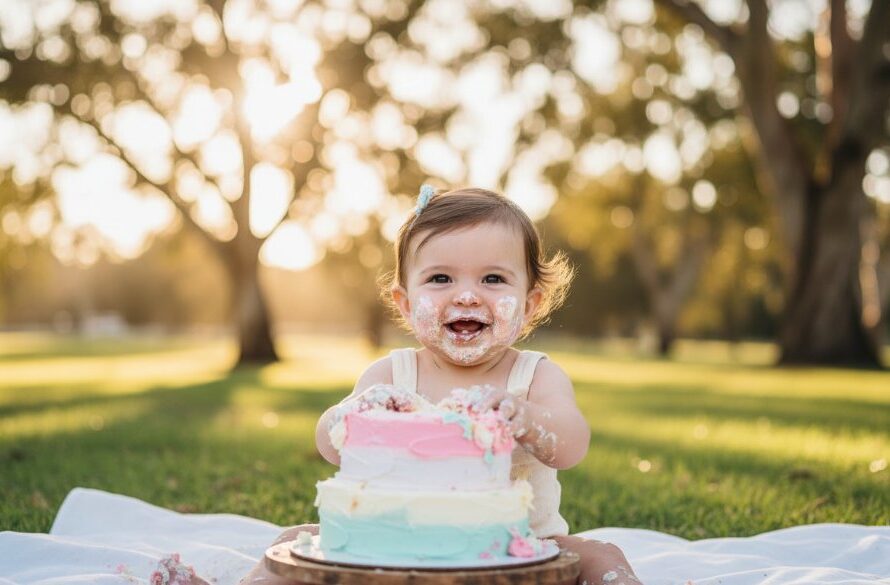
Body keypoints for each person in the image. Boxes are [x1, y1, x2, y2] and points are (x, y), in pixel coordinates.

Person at [241, 186, 642, 585]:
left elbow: (571, 446)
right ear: (406, 304)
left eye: (492, 278)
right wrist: (356, 411)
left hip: (522, 553)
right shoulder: (391, 375)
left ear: (529, 304)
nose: (466, 295)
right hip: (389, 548)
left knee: (601, 555)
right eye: (440, 278)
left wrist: (526, 419)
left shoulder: (534, 376)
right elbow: (329, 445)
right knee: (292, 542)